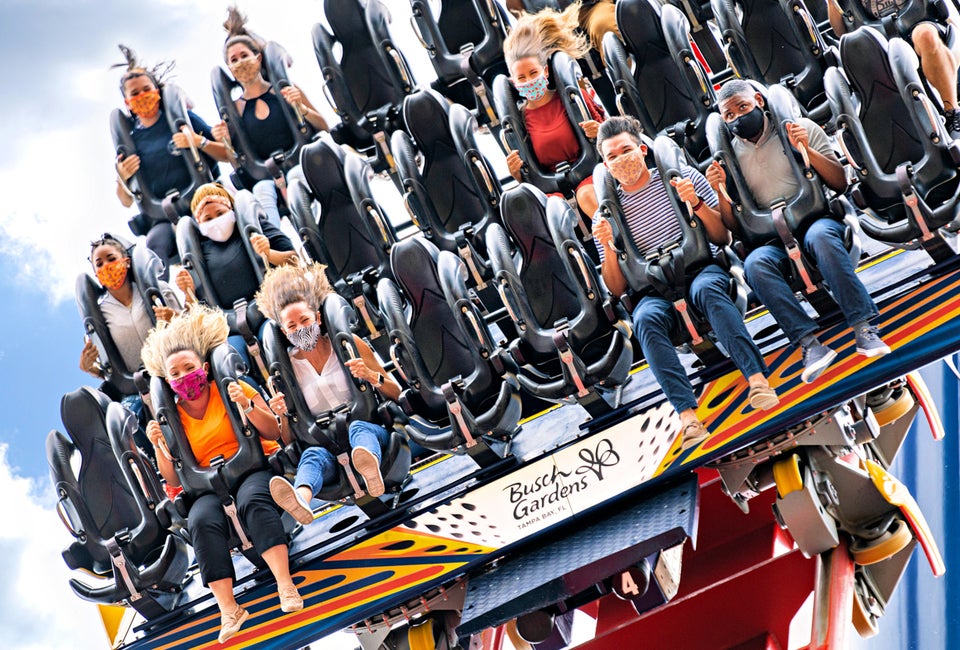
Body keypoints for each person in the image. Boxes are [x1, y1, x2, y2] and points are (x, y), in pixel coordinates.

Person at [592, 116, 779, 450]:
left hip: (699, 269)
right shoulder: (605, 215)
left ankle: (757, 379)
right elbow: (617, 288)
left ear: (642, 148)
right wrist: (607, 246)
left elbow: (722, 235)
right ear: (606, 165)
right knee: (645, 320)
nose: (621, 160)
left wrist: (694, 202)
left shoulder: (683, 178)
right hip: (653, 290)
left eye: (626, 150)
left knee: (707, 291)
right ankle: (687, 416)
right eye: (612, 157)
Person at [707, 79, 890, 384]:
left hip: (813, 219)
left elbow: (839, 182)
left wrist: (805, 149)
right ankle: (809, 344)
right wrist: (718, 189)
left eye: (743, 108)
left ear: (759, 101)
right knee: (754, 266)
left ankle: (864, 327)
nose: (738, 117)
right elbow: (733, 227)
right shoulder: (729, 159)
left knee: (821, 238)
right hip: (769, 238)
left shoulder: (798, 127)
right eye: (729, 115)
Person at [140, 305, 301, 643]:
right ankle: (229, 608)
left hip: (249, 470)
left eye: (190, 368)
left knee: (254, 501)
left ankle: (285, 584)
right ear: (169, 383)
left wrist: (247, 405)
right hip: (206, 489)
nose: (185, 377)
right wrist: (157, 445)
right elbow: (171, 479)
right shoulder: (172, 419)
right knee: (200, 521)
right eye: (176, 374)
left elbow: (274, 433)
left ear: (205, 368)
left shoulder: (231, 388)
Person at [254, 263, 401, 524]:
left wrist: (370, 376)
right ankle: (300, 500)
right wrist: (282, 416)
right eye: (292, 326)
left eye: (305, 321)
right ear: (285, 333)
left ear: (318, 318)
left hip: (368, 429)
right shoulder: (284, 373)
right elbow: (288, 439)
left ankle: (370, 468)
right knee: (311, 457)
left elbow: (396, 393)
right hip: (324, 446)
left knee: (360, 431)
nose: (300, 329)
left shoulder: (348, 346)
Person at [112, 45, 231, 272]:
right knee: (154, 244)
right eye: (134, 94)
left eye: (146, 90)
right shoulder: (132, 141)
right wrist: (122, 179)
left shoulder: (182, 120)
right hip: (163, 216)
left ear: (156, 90)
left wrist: (198, 142)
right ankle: (162, 300)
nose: (142, 97)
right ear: (127, 103)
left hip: (203, 202)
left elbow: (226, 155)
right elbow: (126, 201)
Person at [212, 6, 329, 228]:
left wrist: (301, 109)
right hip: (265, 177)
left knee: (297, 180)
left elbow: (324, 125)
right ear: (229, 68)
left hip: (300, 162)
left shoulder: (284, 90)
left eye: (244, 56)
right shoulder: (235, 110)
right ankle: (280, 253)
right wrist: (223, 140)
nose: (240, 62)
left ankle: (324, 227)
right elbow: (237, 159)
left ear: (257, 58)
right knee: (260, 196)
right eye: (234, 59)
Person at [79, 233, 181, 455]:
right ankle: (152, 469)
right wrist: (91, 369)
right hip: (136, 386)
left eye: (111, 258)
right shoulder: (100, 315)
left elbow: (189, 325)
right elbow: (108, 368)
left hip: (173, 373)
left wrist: (174, 318)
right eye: (100, 264)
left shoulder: (157, 290)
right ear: (96, 273)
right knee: (124, 418)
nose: (107, 266)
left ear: (126, 260)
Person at [502, 4, 604, 219]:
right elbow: (530, 175)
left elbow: (612, 133)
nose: (529, 81)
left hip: (589, 173)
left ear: (545, 71)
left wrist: (600, 131)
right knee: (551, 211)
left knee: (586, 195)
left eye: (533, 73)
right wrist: (517, 174)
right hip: (552, 188)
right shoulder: (521, 120)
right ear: (514, 82)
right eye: (522, 78)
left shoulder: (570, 98)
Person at [827, 0, 960, 138]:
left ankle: (953, 112)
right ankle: (902, 136)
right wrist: (831, 3)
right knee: (860, 60)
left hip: (918, 22)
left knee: (925, 35)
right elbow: (840, 30)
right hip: (878, 39)